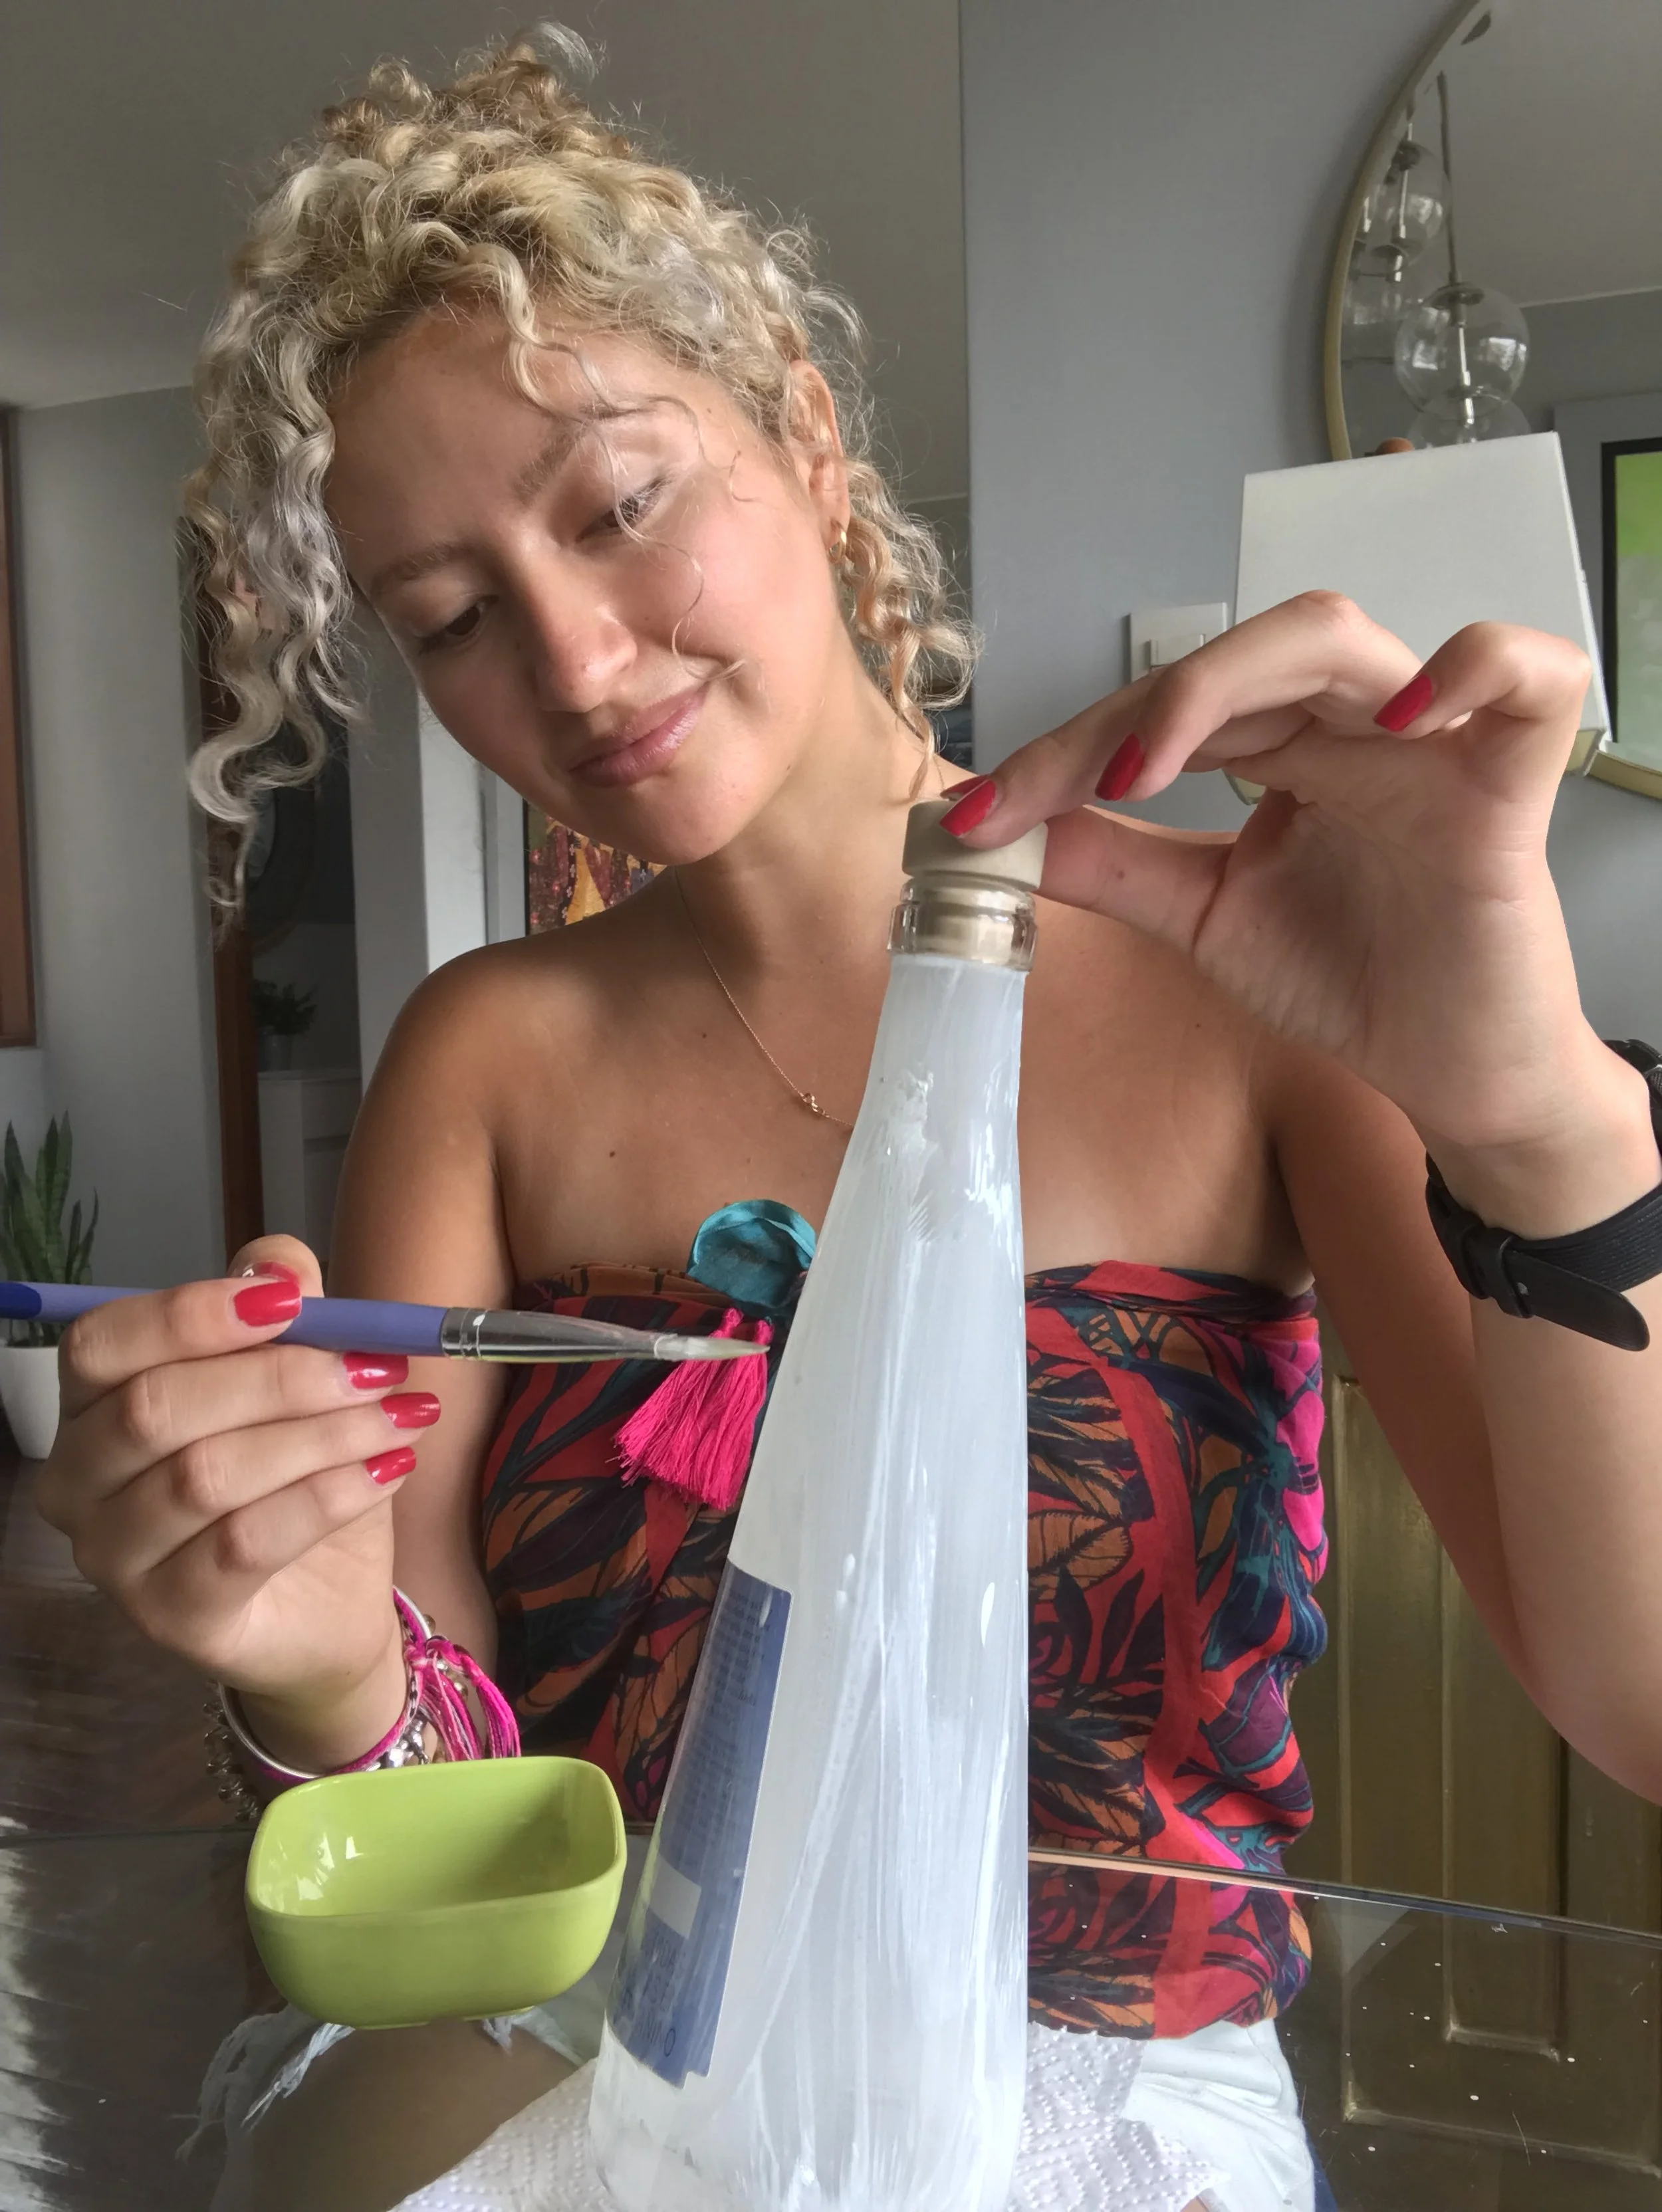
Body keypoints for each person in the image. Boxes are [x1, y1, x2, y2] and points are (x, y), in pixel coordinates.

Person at [36, 33, 1662, 2212]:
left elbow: (1635, 1710)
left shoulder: (1253, 982)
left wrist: (1543, 1116)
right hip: (602, 2062)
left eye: (619, 505)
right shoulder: (486, 1056)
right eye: (453, 618)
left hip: (1106, 2092)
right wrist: (324, 1666)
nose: (581, 658)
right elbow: (447, 1821)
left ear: (801, 429)